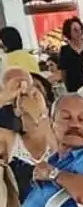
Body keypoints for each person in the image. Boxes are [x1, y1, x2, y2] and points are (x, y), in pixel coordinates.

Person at [0, 69, 54, 199]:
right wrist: (3, 98)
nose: (27, 93)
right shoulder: (9, 140)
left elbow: (65, 156)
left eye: (35, 89)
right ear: (15, 109)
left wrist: (41, 116)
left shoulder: (60, 131)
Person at [57, 17, 83, 94]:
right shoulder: (64, 50)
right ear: (68, 32)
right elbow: (63, 72)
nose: (79, 32)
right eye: (75, 30)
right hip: (73, 88)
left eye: (80, 29)